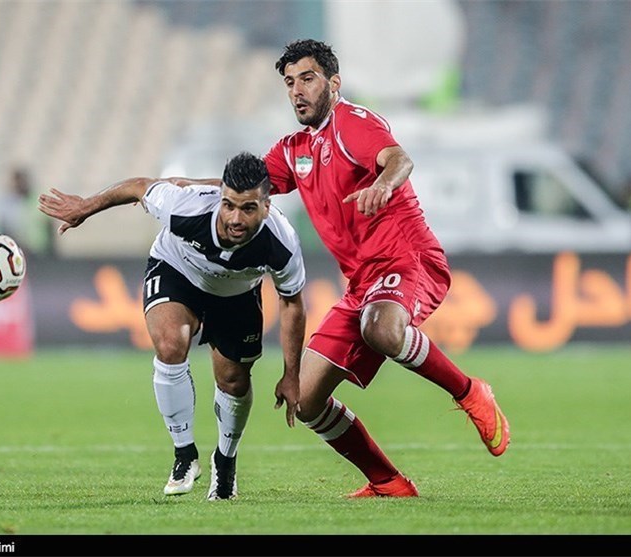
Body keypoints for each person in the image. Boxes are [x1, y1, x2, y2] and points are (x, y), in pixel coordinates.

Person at [261, 39, 510, 497]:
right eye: (289, 82)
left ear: (334, 84)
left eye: (308, 78)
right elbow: (243, 187)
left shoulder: (353, 122)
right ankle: (388, 481)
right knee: (307, 397)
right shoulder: (293, 148)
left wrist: (383, 184)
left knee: (381, 327)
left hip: (408, 258)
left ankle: (470, 390)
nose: (297, 90)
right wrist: (168, 191)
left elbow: (399, 158)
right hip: (362, 285)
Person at [37, 152, 306, 500]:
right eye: (229, 205)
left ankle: (225, 460)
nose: (235, 218)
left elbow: (292, 303)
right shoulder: (187, 207)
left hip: (236, 293)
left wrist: (291, 374)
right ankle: (184, 455)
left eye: (248, 209)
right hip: (177, 270)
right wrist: (84, 208)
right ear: (220, 196)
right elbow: (138, 187)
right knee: (169, 344)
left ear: (267, 207)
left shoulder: (281, 242)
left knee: (234, 380)